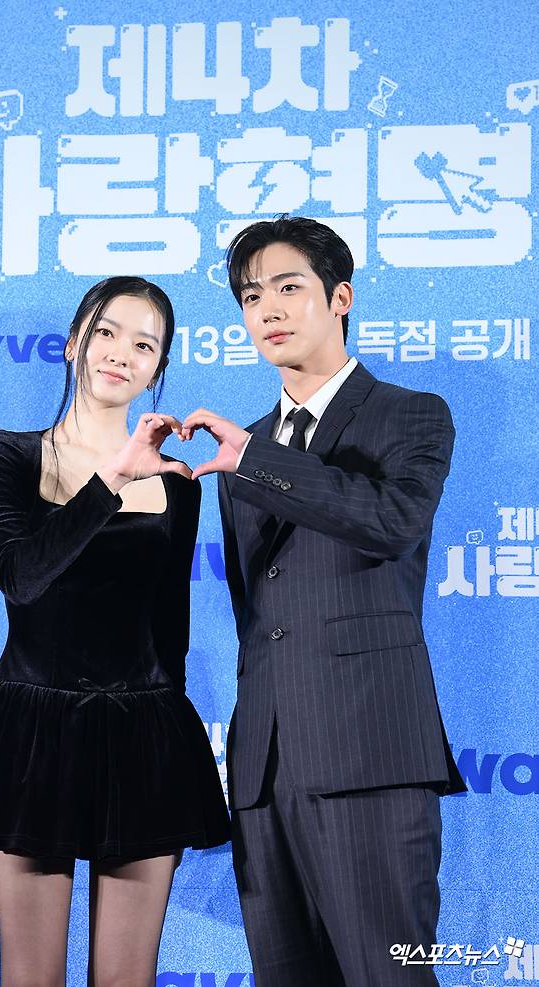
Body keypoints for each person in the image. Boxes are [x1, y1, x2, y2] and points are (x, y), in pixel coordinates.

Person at [181, 216, 466, 987]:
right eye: (251, 296)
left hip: (370, 754)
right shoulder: (243, 447)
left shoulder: (410, 413)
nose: (267, 309)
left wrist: (258, 462)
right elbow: (256, 611)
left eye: (288, 287)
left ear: (340, 297)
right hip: (264, 770)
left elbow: (392, 521)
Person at [0, 276, 230, 987]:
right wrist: (113, 477)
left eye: (145, 345)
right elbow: (23, 577)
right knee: (32, 976)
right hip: (30, 734)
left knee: (127, 978)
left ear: (157, 370)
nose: (121, 353)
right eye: (106, 332)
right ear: (75, 344)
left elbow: (170, 626)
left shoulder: (178, 482)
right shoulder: (11, 454)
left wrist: (171, 741)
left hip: (142, 734)